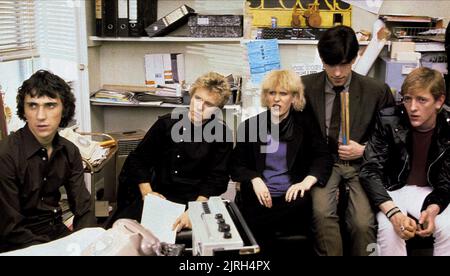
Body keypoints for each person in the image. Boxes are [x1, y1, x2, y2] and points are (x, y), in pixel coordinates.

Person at [301, 25, 395, 256]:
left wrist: (364, 150)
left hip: (361, 165)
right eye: (330, 65)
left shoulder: (377, 90)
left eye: (344, 64)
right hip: (322, 164)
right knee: (322, 215)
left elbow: (392, 138)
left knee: (363, 223)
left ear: (355, 58)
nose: (337, 73)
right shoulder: (303, 87)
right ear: (321, 59)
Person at [111, 72, 233, 232]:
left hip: (196, 200)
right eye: (197, 98)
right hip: (159, 196)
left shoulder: (222, 134)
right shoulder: (165, 124)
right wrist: (147, 193)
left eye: (209, 104)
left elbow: (217, 179)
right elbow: (138, 160)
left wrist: (195, 211)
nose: (199, 107)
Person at [230, 70, 333, 254]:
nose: (276, 99)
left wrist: (307, 181)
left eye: (283, 94)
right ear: (265, 96)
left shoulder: (305, 125)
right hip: (260, 197)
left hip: (292, 198)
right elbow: (237, 165)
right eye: (272, 93)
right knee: (254, 216)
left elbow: (323, 157)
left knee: (292, 212)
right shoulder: (251, 126)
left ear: (294, 98)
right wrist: (255, 179)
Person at [0, 70, 95, 253]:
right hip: (18, 244)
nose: (41, 116)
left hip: (55, 233)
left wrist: (87, 241)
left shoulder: (69, 150)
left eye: (50, 105)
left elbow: (84, 208)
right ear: (24, 110)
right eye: (33, 106)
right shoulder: (6, 155)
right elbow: (10, 229)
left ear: (64, 109)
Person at [360, 67, 450, 256]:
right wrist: (393, 214)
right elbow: (370, 170)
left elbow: (446, 182)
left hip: (430, 190)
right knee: (390, 229)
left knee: (448, 228)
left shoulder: (447, 128)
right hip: (392, 188)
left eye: (422, 100)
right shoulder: (388, 119)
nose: (412, 107)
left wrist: (432, 209)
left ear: (439, 101)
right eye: (408, 99)